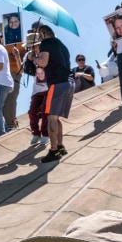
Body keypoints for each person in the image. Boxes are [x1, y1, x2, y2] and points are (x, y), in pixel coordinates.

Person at [30, 25, 75, 163]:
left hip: (57, 84)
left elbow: (43, 62)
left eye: (38, 35)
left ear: (43, 33)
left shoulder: (46, 43)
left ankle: (54, 150)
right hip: (69, 82)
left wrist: (33, 57)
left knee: (50, 118)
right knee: (56, 118)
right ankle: (60, 146)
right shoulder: (61, 45)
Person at [28, 65, 50, 146]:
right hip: (36, 93)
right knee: (32, 112)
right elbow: (24, 66)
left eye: (42, 73)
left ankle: (45, 134)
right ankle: (36, 134)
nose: (40, 75)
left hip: (47, 91)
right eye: (38, 73)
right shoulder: (34, 67)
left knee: (45, 111)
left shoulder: (49, 71)